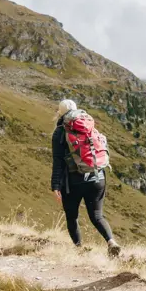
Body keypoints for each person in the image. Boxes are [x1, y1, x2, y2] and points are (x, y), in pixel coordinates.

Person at [50, 99, 121, 256]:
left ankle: (79, 249)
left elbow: (58, 162)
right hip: (97, 177)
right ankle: (111, 241)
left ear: (60, 113)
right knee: (97, 216)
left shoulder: (60, 132)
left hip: (73, 182)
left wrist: (55, 186)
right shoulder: (89, 126)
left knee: (72, 216)